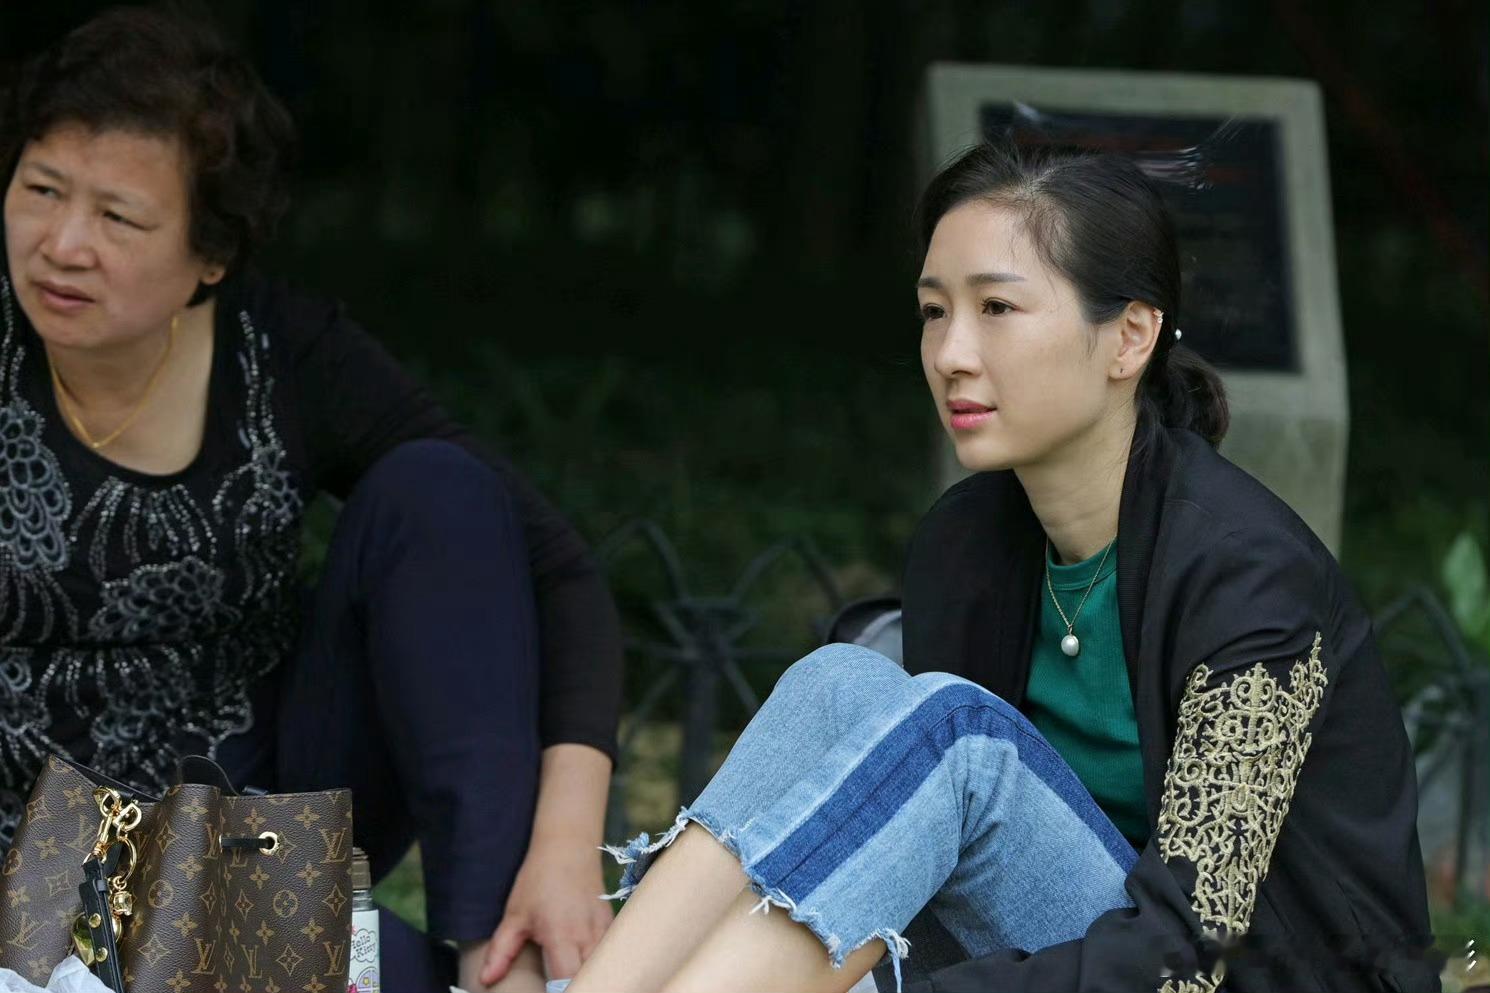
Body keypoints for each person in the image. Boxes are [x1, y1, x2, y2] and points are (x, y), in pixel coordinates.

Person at [563, 142, 1438, 993]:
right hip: (1050, 959)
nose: (951, 353)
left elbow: (1187, 953)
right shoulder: (968, 544)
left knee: (961, 739)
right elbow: (921, 867)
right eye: (934, 311)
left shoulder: (1250, 578)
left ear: (1129, 337)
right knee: (837, 683)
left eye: (997, 308)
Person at [0, 9, 620, 991]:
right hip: (34, 870)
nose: (62, 244)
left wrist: (564, 847)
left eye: (118, 218)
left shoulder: (285, 356)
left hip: (261, 825)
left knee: (439, 490)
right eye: (41, 191)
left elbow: (558, 572)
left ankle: (500, 962)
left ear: (210, 256)